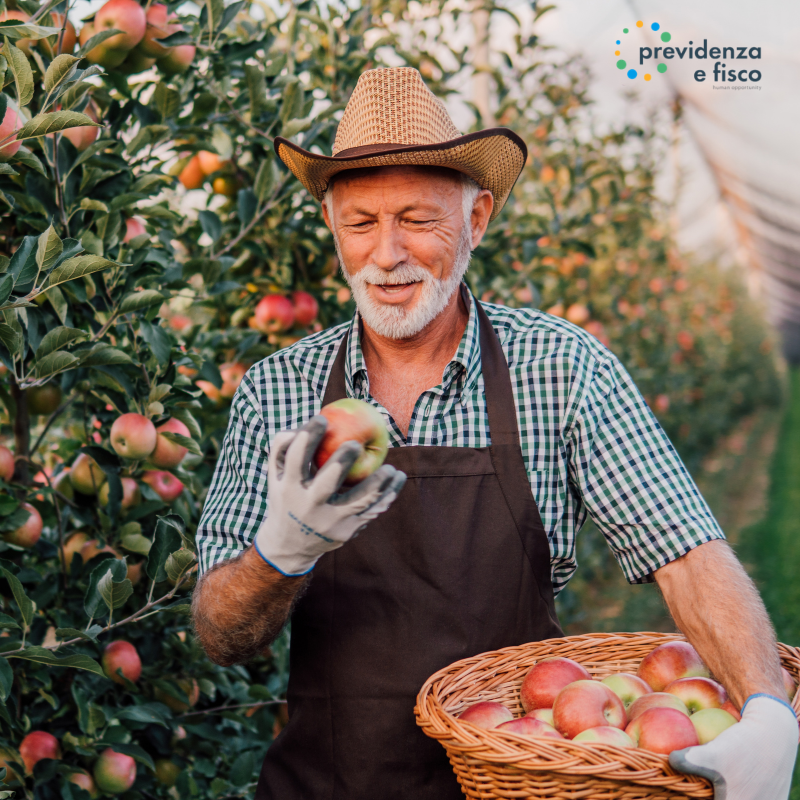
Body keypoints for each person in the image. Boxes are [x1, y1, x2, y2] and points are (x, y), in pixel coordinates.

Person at [191, 67, 798, 800]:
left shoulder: (562, 368)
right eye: (360, 223)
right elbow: (222, 636)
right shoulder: (277, 392)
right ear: (332, 226)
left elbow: (686, 551)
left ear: (476, 220)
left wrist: (765, 707)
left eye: (417, 219)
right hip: (330, 782)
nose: (387, 254)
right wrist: (280, 553)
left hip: (521, 781)